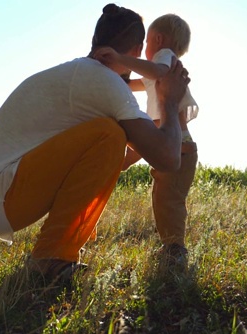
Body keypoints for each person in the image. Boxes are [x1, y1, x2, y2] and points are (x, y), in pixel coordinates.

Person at [0, 4, 190, 281]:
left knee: (110, 134)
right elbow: (168, 157)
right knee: (110, 135)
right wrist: (169, 100)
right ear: (136, 49)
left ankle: (55, 251)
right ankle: (51, 257)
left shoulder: (82, 73)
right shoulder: (104, 82)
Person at [92, 14, 198, 262]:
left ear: (158, 39)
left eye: (147, 42)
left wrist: (119, 59)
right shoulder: (160, 70)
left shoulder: (164, 59)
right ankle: (170, 246)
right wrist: (120, 82)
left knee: (169, 202)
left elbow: (154, 71)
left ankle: (175, 250)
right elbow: (141, 83)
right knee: (163, 199)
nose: (144, 50)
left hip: (178, 145)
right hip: (175, 141)